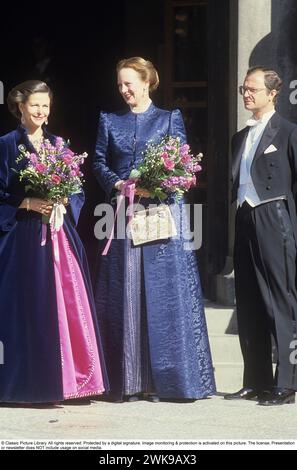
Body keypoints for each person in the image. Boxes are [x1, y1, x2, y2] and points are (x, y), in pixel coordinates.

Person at [93, 57, 216, 402]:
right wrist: (118, 185)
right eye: (120, 84)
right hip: (122, 211)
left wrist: (159, 186)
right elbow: (99, 162)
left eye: (129, 83)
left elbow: (182, 162)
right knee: (126, 290)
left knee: (163, 292)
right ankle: (128, 380)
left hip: (161, 212)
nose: (124, 90)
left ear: (147, 82)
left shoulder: (169, 118)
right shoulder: (109, 120)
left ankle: (168, 381)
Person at [0, 80, 108, 404]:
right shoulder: (6, 144)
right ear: (20, 106)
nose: (41, 111)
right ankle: (23, 384)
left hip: (57, 234)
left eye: (45, 106)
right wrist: (26, 203)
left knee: (67, 305)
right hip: (22, 236)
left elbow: (77, 187)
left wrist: (63, 201)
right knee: (25, 307)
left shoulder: (58, 144)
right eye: (35, 104)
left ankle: (68, 382)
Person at [225, 66, 297, 406]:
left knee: (281, 301)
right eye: (243, 89)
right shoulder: (239, 137)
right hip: (244, 216)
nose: (246, 94)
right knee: (249, 299)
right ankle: (255, 379)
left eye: (253, 89)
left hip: (274, 216)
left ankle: (287, 381)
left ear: (272, 94)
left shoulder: (288, 132)